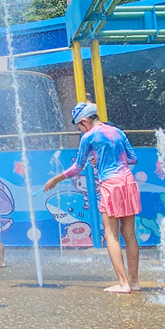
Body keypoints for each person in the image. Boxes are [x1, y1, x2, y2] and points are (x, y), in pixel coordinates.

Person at [43, 102, 141, 293]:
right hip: (128, 182)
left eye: (79, 126)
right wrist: (104, 159)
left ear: (85, 121)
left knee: (111, 234)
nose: (80, 130)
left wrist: (56, 179)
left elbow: (78, 167)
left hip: (111, 185)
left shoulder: (88, 137)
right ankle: (134, 282)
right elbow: (132, 158)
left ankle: (123, 284)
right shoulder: (117, 131)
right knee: (129, 234)